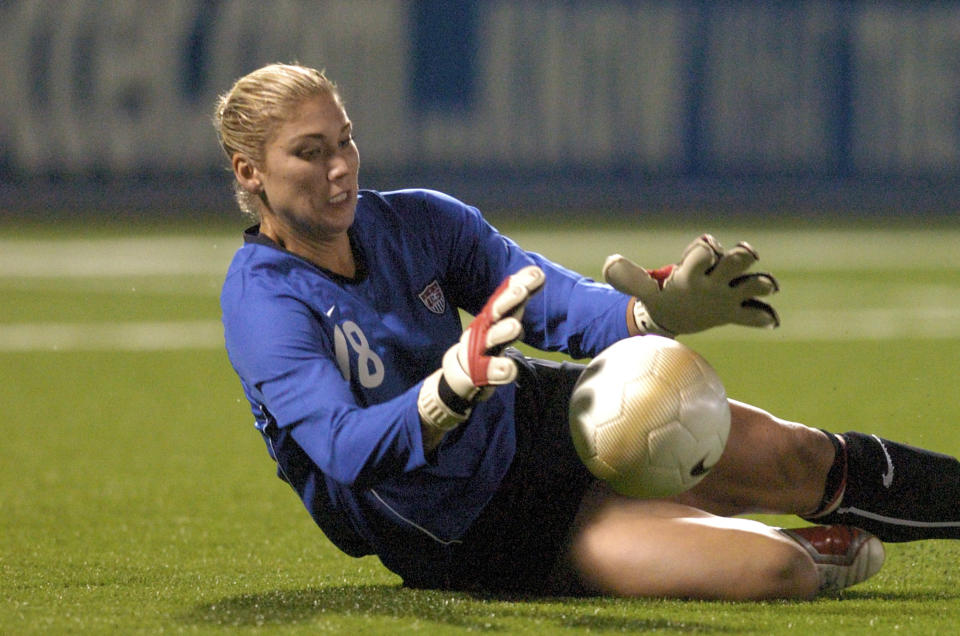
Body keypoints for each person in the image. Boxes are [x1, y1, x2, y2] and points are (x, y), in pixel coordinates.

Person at [214, 63, 960, 600]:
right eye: (309, 153)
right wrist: (444, 394)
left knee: (800, 456)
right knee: (775, 574)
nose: (339, 169)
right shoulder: (263, 303)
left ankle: (706, 514)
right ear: (251, 172)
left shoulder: (416, 219)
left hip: (545, 417)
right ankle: (731, 535)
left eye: (343, 141)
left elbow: (550, 300)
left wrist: (650, 314)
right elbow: (345, 450)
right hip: (475, 527)